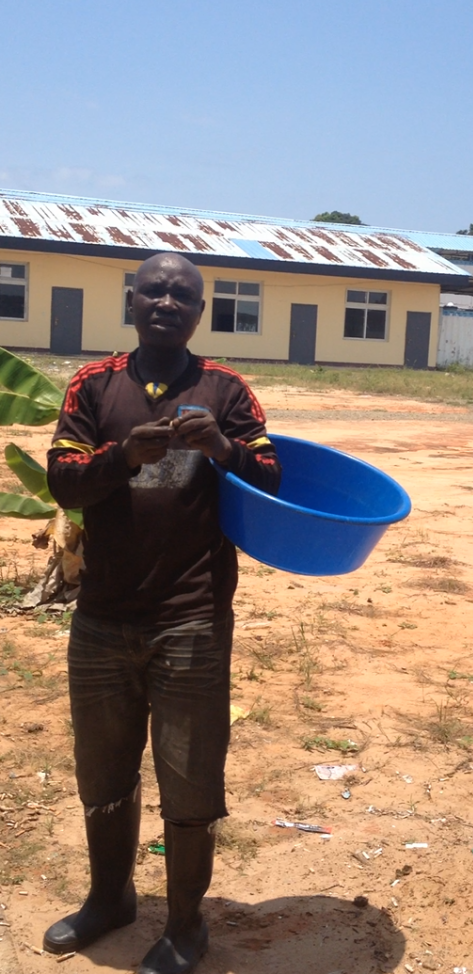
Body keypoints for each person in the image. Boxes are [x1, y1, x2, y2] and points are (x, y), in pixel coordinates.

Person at [42, 252, 281, 974]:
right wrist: (121, 458)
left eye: (183, 294)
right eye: (155, 290)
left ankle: (184, 926)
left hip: (192, 617)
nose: (168, 302)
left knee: (189, 777)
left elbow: (271, 477)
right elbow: (64, 481)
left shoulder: (226, 389)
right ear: (133, 300)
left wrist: (221, 447)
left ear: (198, 312)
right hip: (103, 619)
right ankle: (109, 899)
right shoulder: (95, 385)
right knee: (103, 771)